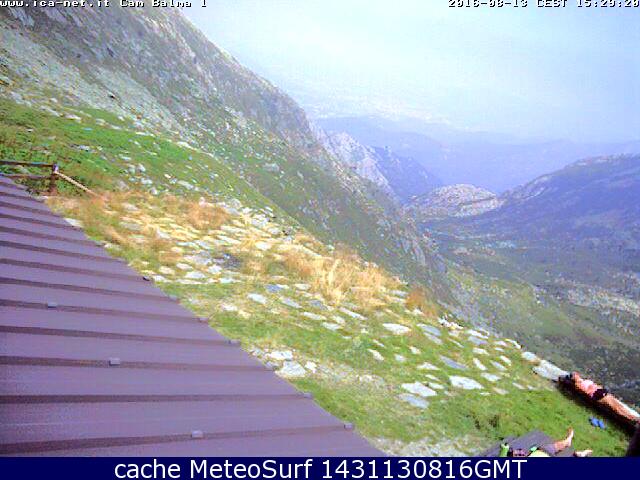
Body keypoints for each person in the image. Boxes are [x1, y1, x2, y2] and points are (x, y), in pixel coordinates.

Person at [569, 372, 640, 426]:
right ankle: (633, 419)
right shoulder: (577, 384)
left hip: (602, 391)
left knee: (619, 405)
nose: (576, 375)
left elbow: (595, 385)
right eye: (574, 375)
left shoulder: (585, 380)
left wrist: (596, 386)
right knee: (616, 408)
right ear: (573, 378)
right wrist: (591, 388)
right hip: (598, 395)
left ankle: (635, 417)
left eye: (576, 374)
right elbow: (586, 392)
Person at [503, 428, 592, 458]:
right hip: (542, 453)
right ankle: (574, 449)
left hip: (542, 452)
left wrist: (511, 452)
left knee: (556, 446)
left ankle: (568, 441)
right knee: (555, 447)